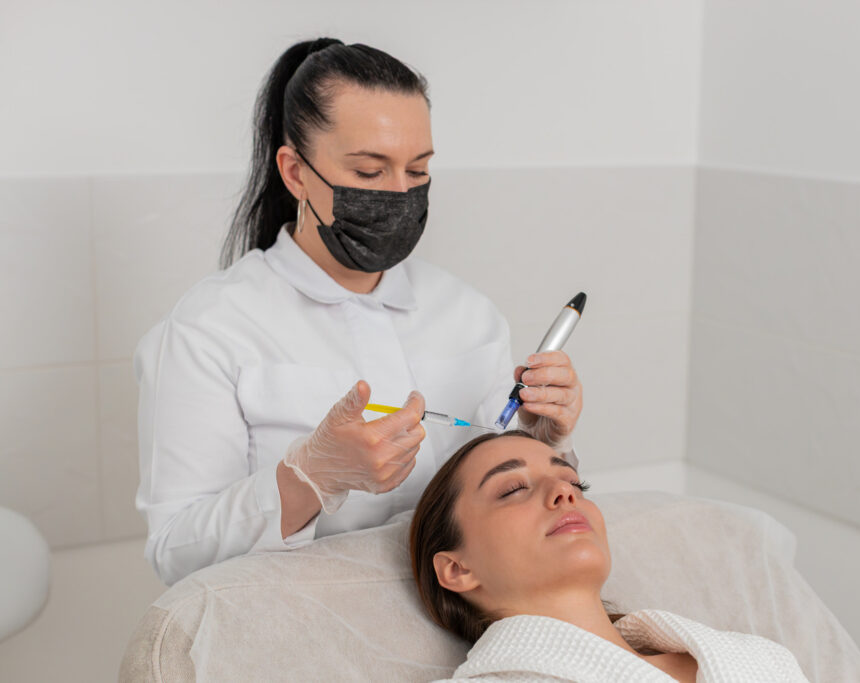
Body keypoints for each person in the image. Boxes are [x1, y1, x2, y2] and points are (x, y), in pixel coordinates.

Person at [135, 38, 583, 586]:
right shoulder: (208, 330)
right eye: (370, 173)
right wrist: (311, 477)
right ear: (296, 172)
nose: (398, 194)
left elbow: (502, 499)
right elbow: (176, 554)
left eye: (417, 172)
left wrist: (539, 437)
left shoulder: (469, 313)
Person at [409, 432, 810, 683]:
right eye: (512, 489)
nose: (565, 493)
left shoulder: (755, 660)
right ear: (458, 569)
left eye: (573, 481)